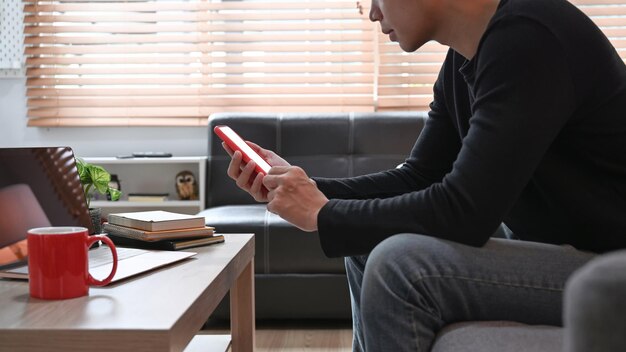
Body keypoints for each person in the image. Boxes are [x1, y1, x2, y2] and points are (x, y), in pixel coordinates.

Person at [222, 0, 626, 350]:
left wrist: (322, 214)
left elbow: (464, 212)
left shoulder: (529, 38)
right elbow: (417, 177)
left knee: (399, 264)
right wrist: (302, 189)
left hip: (611, 272)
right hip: (566, 253)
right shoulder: (462, 64)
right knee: (366, 242)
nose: (373, 14)